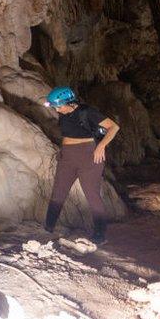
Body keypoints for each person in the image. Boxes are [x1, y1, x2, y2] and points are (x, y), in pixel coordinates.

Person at [42, 86, 120, 243]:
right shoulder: (63, 113)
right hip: (67, 157)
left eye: (58, 106)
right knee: (58, 192)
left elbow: (114, 127)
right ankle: (47, 228)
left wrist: (101, 146)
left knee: (92, 195)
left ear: (69, 102)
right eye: (55, 107)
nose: (57, 110)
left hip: (88, 157)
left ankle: (100, 234)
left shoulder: (87, 111)